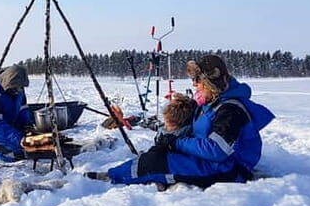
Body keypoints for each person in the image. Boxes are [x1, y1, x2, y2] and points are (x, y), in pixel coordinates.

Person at [104, 54, 274, 189]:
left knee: (154, 163)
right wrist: (168, 137)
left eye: (197, 80)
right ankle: (115, 174)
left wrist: (177, 143)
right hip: (211, 161)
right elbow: (196, 132)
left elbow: (216, 150)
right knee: (156, 154)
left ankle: (107, 180)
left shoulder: (231, 110)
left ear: (210, 83)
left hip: (228, 169)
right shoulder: (212, 103)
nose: (194, 85)